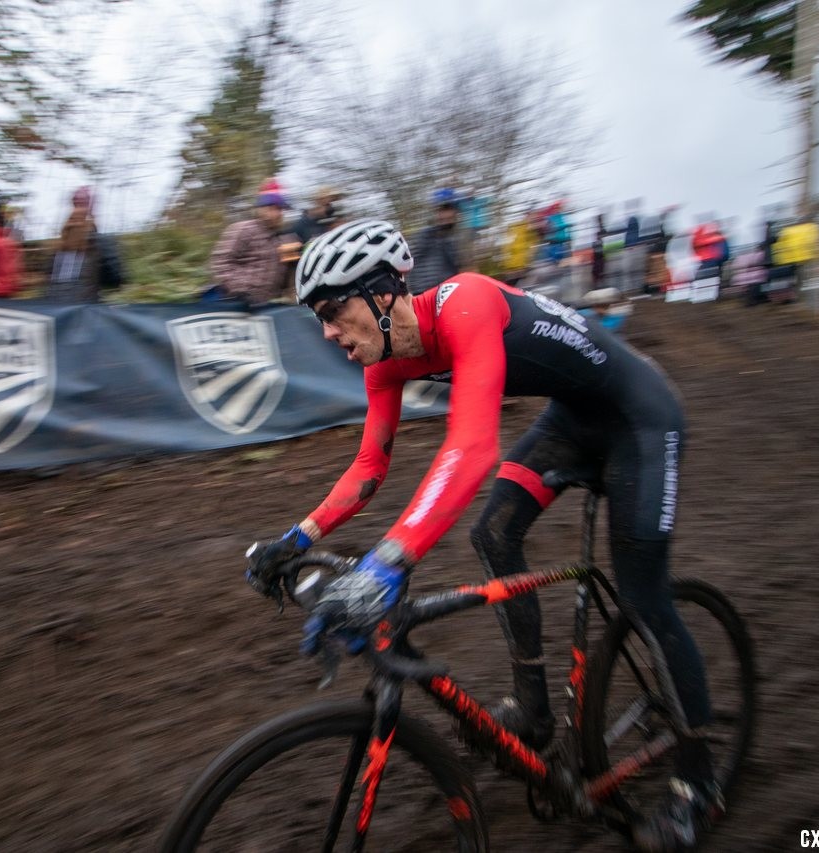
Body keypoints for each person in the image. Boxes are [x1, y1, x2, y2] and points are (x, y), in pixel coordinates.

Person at [246, 219, 720, 853]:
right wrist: (295, 539)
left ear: (384, 293)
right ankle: (533, 710)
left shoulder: (466, 301)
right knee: (494, 536)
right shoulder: (384, 361)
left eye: (334, 311)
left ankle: (699, 783)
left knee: (644, 597)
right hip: (574, 420)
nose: (328, 332)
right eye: (319, 318)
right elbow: (369, 468)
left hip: (641, 420)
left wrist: (387, 564)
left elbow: (471, 448)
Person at [206, 178, 291, 306]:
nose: (277, 213)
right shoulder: (243, 230)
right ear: (261, 208)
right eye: (272, 208)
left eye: (280, 209)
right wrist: (240, 290)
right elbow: (220, 262)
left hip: (268, 306)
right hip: (238, 303)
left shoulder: (283, 238)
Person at [46, 186, 126, 303]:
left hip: (56, 308)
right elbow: (115, 278)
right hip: (84, 308)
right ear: (92, 206)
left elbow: (48, 279)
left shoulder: (58, 244)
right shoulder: (101, 242)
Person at [406, 187, 463, 295]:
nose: (448, 214)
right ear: (437, 212)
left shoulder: (451, 239)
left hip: (448, 294)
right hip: (426, 296)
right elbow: (410, 264)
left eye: (451, 209)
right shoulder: (425, 236)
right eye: (443, 210)